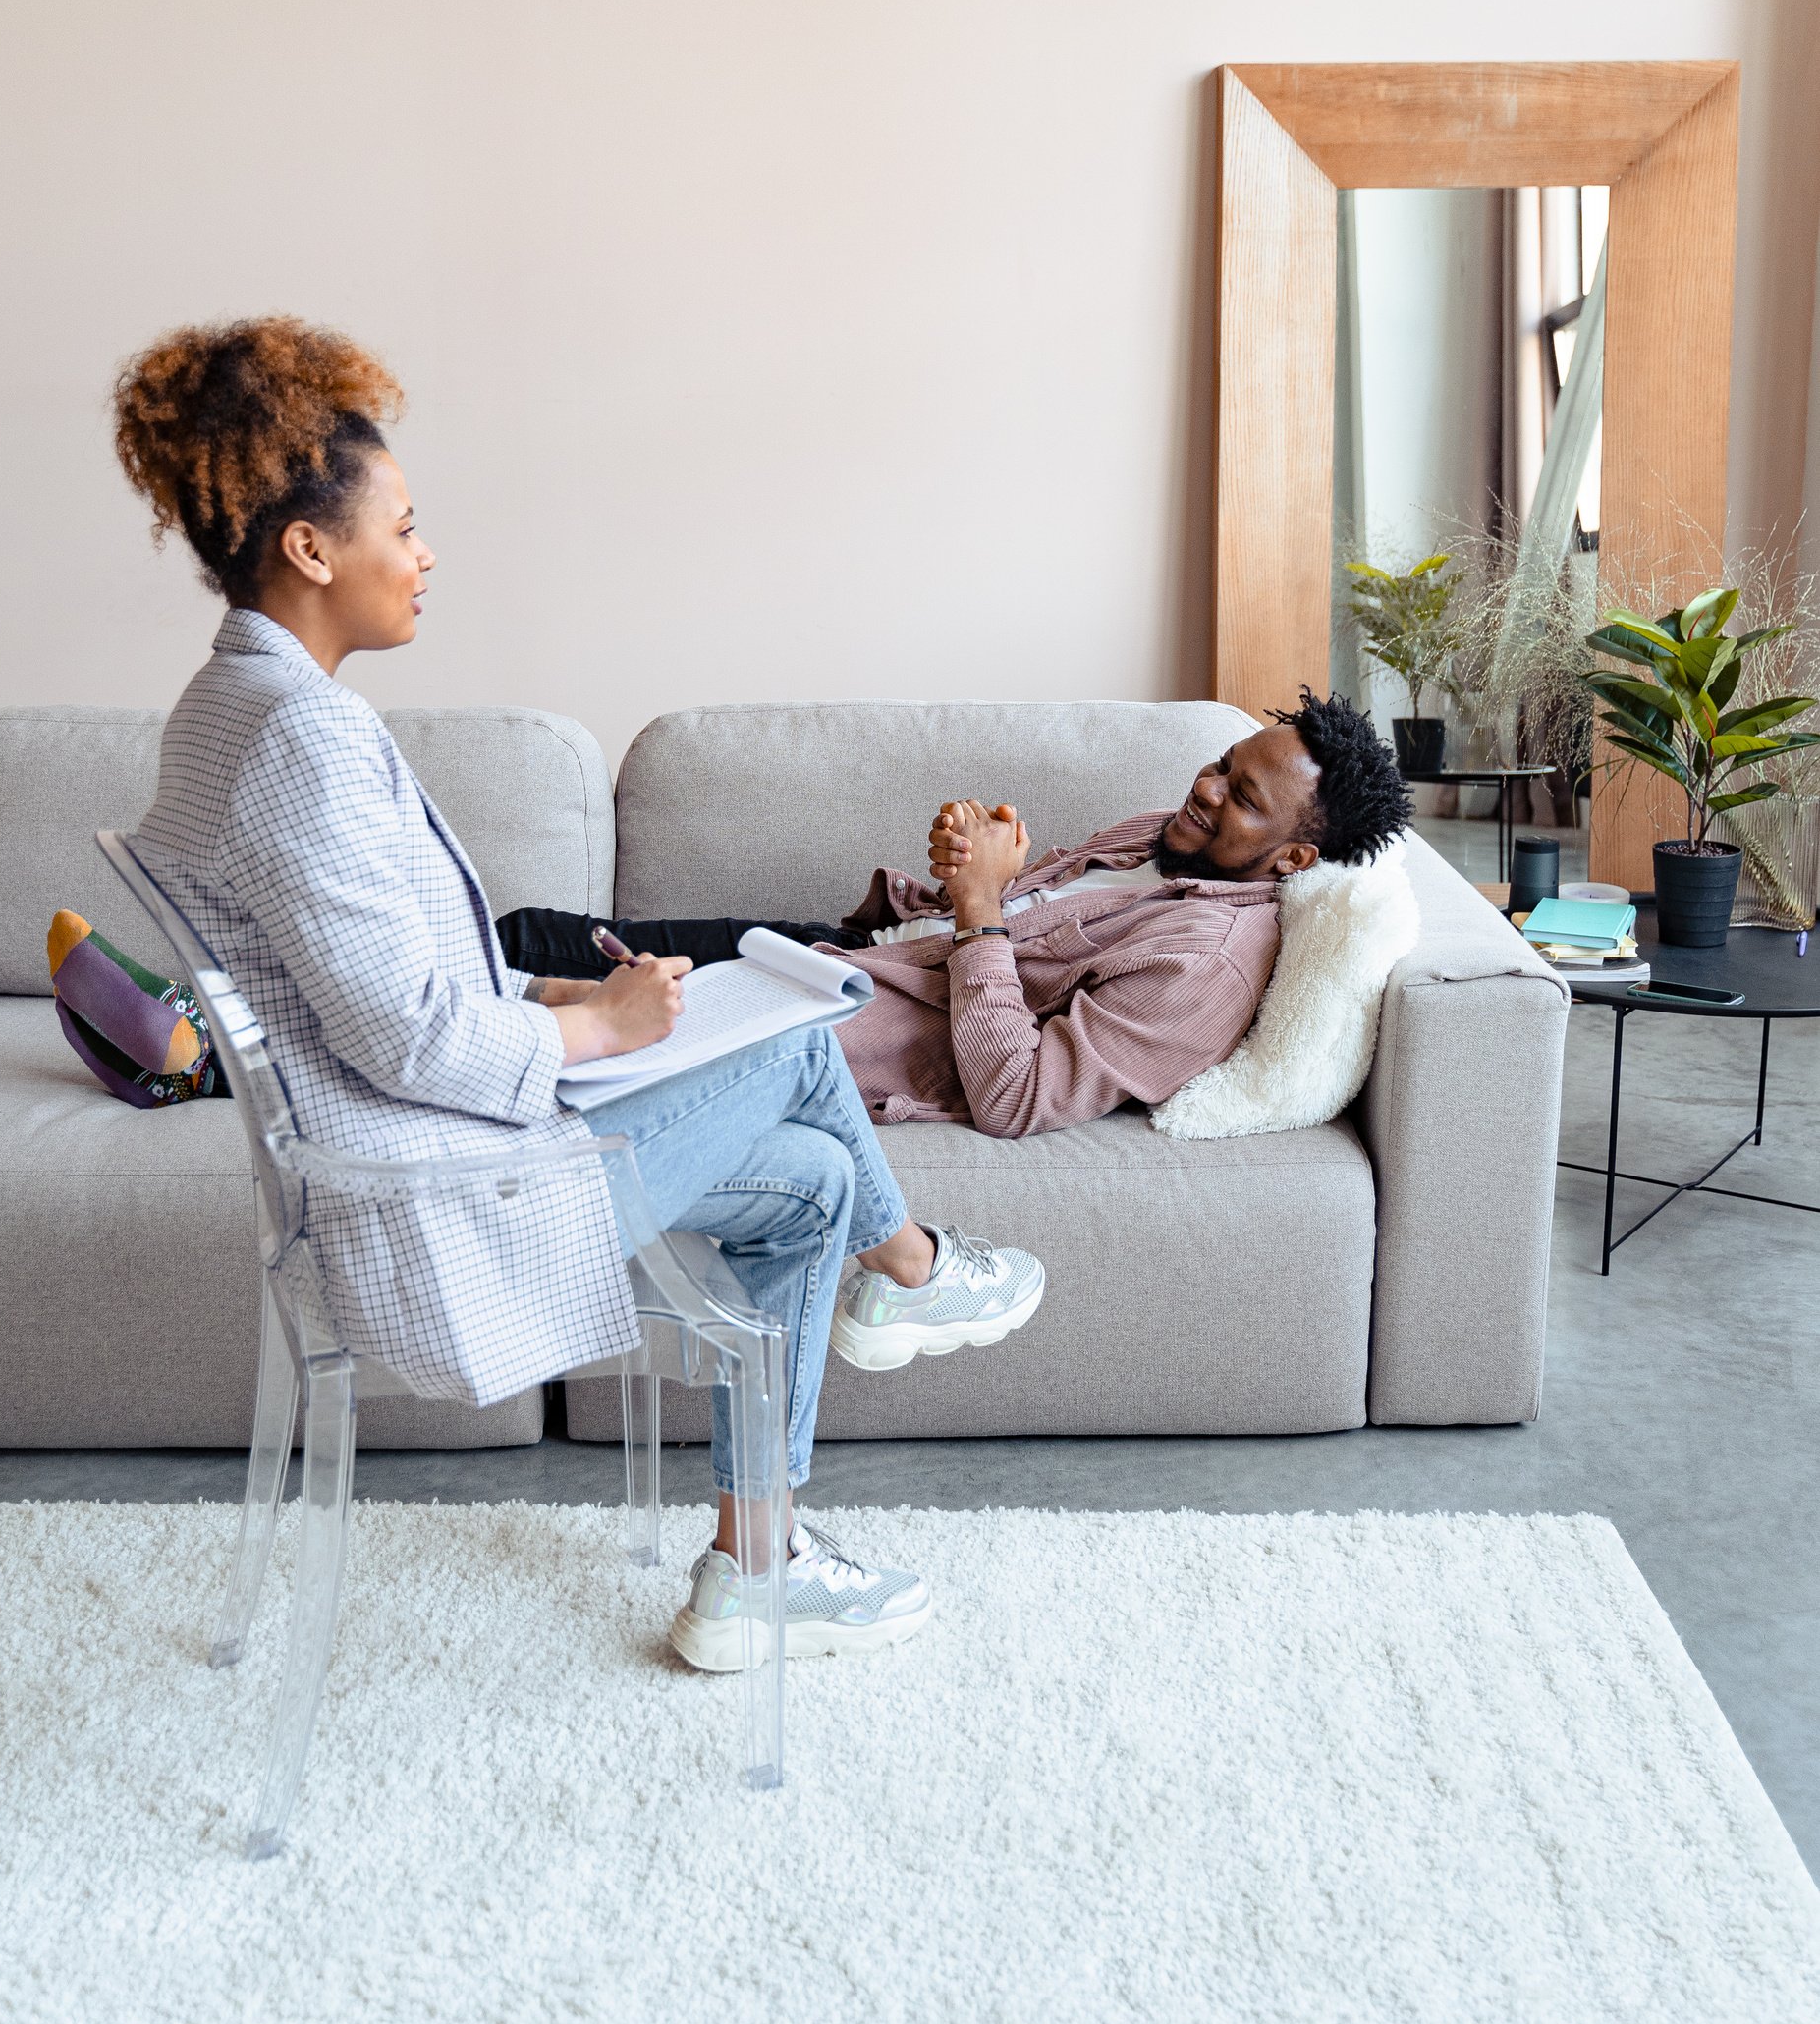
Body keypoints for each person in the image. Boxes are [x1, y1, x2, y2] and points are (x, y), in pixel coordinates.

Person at [113, 318, 1045, 1673]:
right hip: (431, 1216)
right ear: (312, 550)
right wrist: (597, 1028)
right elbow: (403, 1031)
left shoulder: (225, 709)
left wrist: (544, 983)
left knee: (814, 1178)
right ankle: (910, 1275)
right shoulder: (298, 742)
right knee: (797, 1052)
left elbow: (363, 976)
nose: (426, 555)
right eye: (406, 526)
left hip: (400, 1173)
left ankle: (757, 1560)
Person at [498, 695, 1414, 1141]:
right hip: (846, 954)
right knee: (529, 935)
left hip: (849, 1021)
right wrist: (965, 872)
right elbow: (1017, 917)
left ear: (1296, 857)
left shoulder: (1205, 968)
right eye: (1221, 764)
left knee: (528, 962)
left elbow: (1021, 1098)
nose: (1206, 788)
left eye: (1243, 796)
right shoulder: (1167, 841)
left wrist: (981, 916)